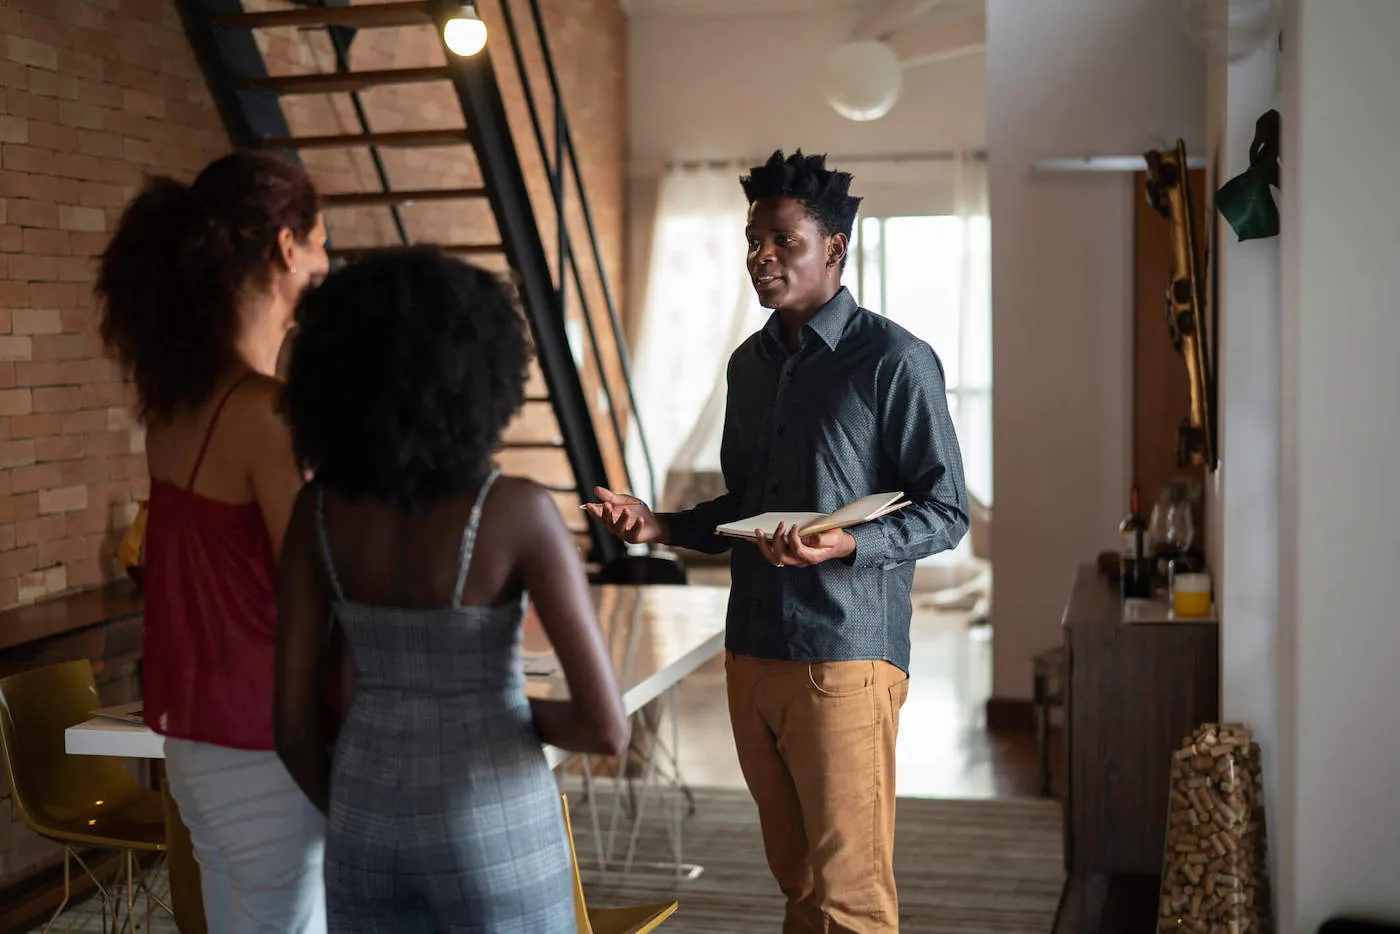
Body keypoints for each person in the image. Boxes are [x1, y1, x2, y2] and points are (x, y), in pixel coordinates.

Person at [586, 150, 969, 934]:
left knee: (852, 898)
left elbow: (947, 510)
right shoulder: (749, 366)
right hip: (752, 651)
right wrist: (659, 524)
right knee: (798, 885)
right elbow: (744, 507)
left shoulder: (895, 361)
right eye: (753, 240)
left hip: (844, 656)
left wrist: (845, 547)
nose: (760, 256)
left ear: (834, 248)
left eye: (782, 241)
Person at [274, 247, 630, 933]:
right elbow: (605, 727)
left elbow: (291, 730)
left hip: (363, 816)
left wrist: (358, 811)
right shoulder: (515, 509)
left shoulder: (316, 511)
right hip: (490, 821)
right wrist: (490, 710)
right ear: (478, 375)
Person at [96, 151, 331, 931]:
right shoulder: (265, 414)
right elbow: (312, 587)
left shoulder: (175, 407)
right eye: (321, 242)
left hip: (198, 742)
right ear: (287, 247)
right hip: (267, 743)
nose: (327, 263)